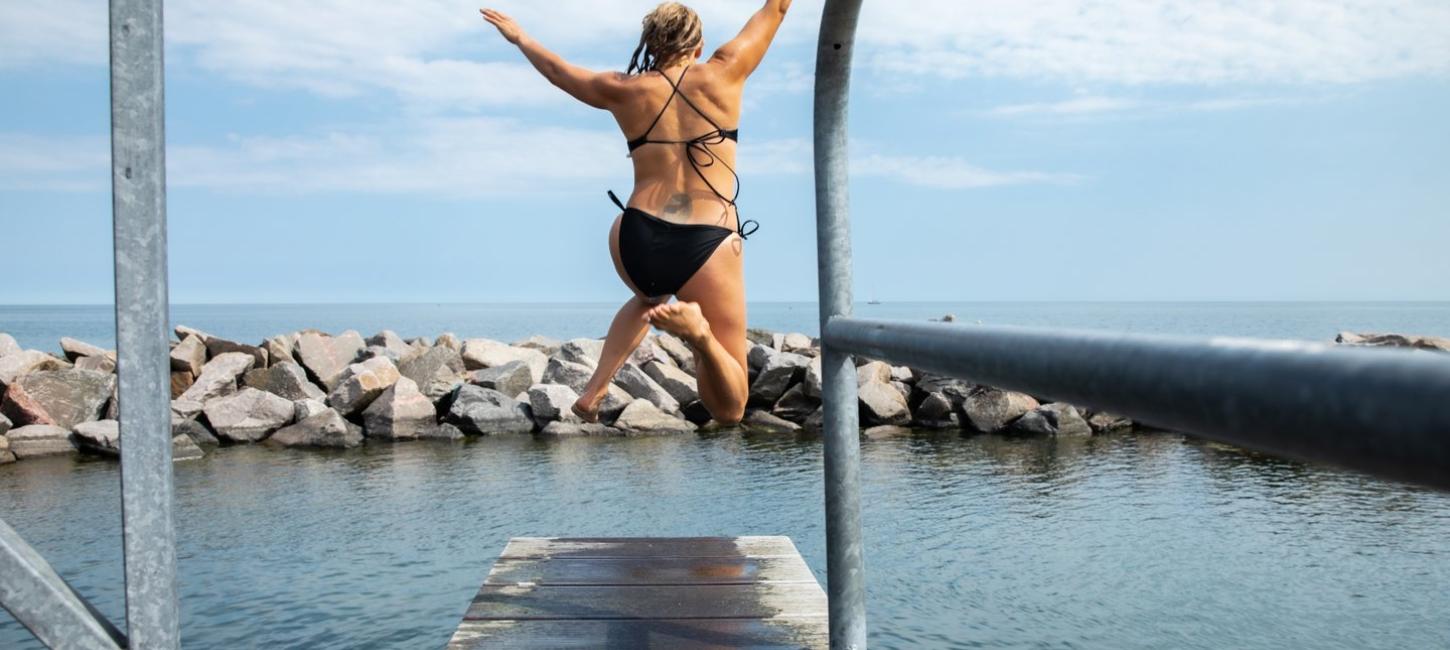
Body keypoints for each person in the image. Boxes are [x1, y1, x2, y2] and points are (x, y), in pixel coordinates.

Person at [481, 2, 791, 425]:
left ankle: (595, 389)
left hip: (636, 234)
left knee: (649, 296)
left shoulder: (623, 89)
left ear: (650, 44)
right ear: (697, 45)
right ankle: (698, 335)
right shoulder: (725, 70)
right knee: (731, 409)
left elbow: (558, 72)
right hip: (708, 240)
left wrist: (521, 38)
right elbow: (776, 8)